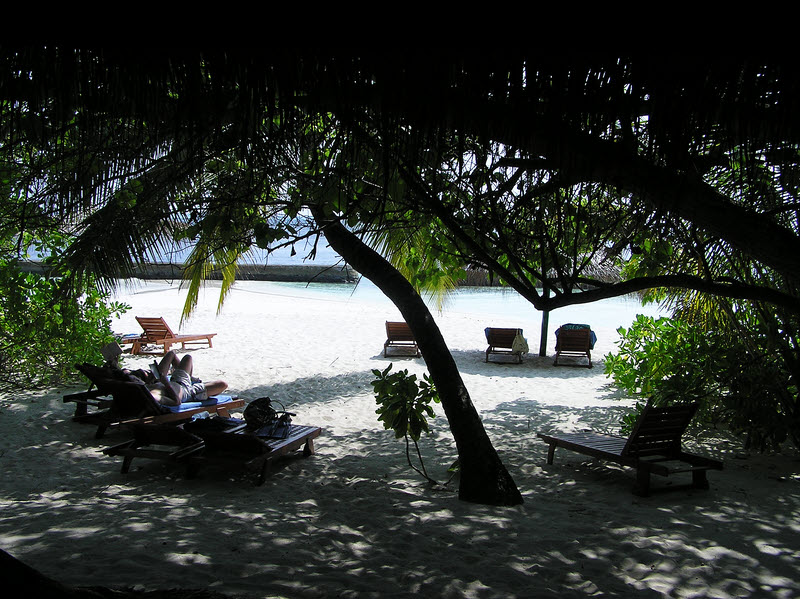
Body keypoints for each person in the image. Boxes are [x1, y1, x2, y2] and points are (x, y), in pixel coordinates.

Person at [150, 350, 228, 406]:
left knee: (182, 356)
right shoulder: (153, 396)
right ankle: (193, 382)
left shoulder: (143, 386)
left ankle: (191, 379)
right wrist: (166, 383)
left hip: (176, 381)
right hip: (187, 392)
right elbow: (177, 401)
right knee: (222, 384)